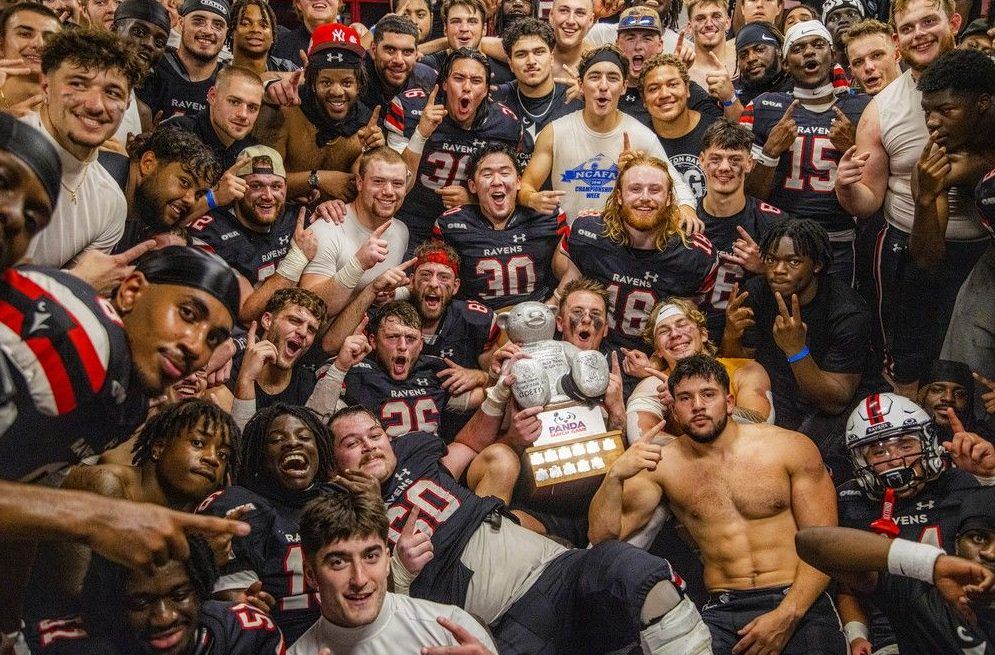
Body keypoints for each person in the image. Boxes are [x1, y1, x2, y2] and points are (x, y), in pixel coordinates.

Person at [328, 404, 713, 654]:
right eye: (352, 443)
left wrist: (496, 394)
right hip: (504, 623)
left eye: (374, 435)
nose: (369, 446)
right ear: (332, 463)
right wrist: (400, 569)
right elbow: (361, 615)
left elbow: (469, 442)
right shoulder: (339, 518)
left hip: (560, 569)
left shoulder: (417, 455)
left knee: (639, 573)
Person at [589, 354, 845, 655]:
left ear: (730, 402)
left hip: (800, 600)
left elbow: (826, 546)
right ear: (673, 407)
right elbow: (603, 537)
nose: (697, 405)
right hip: (725, 609)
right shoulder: (663, 464)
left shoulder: (788, 447)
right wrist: (615, 475)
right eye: (685, 398)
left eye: (707, 394)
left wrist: (787, 615)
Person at [834, 0, 983, 392]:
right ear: (898, 39)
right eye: (909, 27)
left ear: (953, 22)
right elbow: (869, 201)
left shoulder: (986, 84)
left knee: (975, 354)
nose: (920, 34)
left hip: (983, 245)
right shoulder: (881, 109)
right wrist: (846, 186)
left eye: (929, 21)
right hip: (906, 243)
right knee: (907, 353)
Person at [21, 399, 238, 647]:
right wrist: (204, 560)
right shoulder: (105, 485)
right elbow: (82, 602)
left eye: (223, 455)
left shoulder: (193, 510)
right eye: (198, 443)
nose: (212, 459)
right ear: (158, 448)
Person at [836, 391, 994, 654]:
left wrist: (988, 479)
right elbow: (850, 587)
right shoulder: (852, 500)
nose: (895, 459)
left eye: (906, 445)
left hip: (967, 623)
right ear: (862, 460)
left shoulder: (962, 483)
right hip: (892, 636)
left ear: (928, 441)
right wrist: (857, 635)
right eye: (879, 451)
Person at [721, 219, 882, 447]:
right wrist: (731, 335)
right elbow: (740, 367)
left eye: (793, 262)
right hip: (781, 394)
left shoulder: (847, 312)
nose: (778, 270)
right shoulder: (756, 293)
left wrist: (796, 350)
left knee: (798, 449)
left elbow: (835, 401)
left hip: (835, 408)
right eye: (771, 260)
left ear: (816, 265)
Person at [197, 403, 342, 644]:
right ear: (260, 457)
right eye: (276, 439)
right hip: (279, 642)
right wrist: (232, 596)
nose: (293, 443)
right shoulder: (243, 505)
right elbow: (237, 601)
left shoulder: (339, 496)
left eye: (304, 437)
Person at [289, 491, 498, 654]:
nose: (359, 579)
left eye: (371, 556)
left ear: (388, 560)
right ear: (311, 575)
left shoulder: (451, 630)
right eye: (338, 562)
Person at [740, 20, 869, 284]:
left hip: (841, 242)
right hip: (781, 245)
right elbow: (750, 194)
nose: (809, 52)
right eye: (798, 48)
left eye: (818, 45)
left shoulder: (863, 106)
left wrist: (853, 144)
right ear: (786, 63)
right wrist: (770, 152)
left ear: (833, 55)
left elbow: (878, 185)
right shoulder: (764, 106)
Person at [553, 153, 718, 357]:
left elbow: (685, 334)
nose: (645, 198)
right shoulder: (589, 233)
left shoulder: (693, 255)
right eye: (635, 189)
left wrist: (654, 366)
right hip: (588, 351)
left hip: (653, 362)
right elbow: (562, 297)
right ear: (620, 196)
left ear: (669, 199)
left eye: (655, 190)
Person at [797, 486, 995, 654]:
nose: (990, 553)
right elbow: (809, 544)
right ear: (958, 542)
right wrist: (930, 563)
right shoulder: (923, 598)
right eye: (978, 538)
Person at [521, 44, 697, 227]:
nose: (603, 86)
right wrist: (533, 199)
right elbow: (526, 186)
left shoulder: (641, 135)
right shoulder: (555, 132)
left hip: (620, 243)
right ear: (581, 85)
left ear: (623, 87)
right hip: (568, 240)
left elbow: (677, 186)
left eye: (612, 78)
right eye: (595, 77)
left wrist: (686, 208)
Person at [23, 27, 143, 270]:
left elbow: (62, 297)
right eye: (78, 84)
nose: (95, 105)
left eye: (112, 92)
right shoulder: (6, 152)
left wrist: (77, 284)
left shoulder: (110, 202)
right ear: (45, 86)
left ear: (127, 104)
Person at [385, 47, 522, 252]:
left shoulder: (505, 123)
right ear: (444, 83)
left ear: (486, 90)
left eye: (476, 81)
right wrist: (421, 134)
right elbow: (395, 184)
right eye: (458, 78)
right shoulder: (410, 108)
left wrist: (475, 198)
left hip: (471, 221)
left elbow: (514, 185)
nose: (466, 87)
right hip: (411, 219)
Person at [54, 537, 287, 654]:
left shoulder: (244, 634)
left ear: (200, 589)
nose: (164, 617)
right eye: (141, 602)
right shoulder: (70, 645)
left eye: (179, 595)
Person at [255, 23, 383, 202]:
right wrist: (317, 179)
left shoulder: (367, 124)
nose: (337, 92)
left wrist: (375, 154)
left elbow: (365, 192)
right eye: (326, 82)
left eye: (347, 83)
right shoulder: (286, 109)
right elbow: (260, 182)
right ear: (312, 83)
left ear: (359, 85)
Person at [434, 144, 564, 310]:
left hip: (539, 315)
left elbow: (571, 272)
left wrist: (551, 304)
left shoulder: (547, 217)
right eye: (487, 174)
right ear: (472, 186)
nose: (497, 181)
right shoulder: (451, 225)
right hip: (478, 323)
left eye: (504, 173)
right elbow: (437, 281)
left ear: (518, 182)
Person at [328, 300, 485, 437]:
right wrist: (340, 367)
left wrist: (483, 376)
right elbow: (317, 415)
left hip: (432, 464)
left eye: (410, 338)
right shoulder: (355, 370)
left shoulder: (434, 369)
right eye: (393, 337)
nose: (402, 346)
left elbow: (486, 398)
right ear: (373, 341)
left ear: (421, 344)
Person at [693, 119, 786, 340]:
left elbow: (804, 287)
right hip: (689, 336)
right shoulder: (684, 219)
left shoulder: (773, 223)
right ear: (702, 161)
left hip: (750, 340)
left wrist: (766, 268)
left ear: (749, 164)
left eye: (735, 160)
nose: (724, 167)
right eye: (715, 159)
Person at [627, 297, 773, 433]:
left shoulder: (744, 371)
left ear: (703, 334)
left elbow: (760, 426)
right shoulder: (655, 384)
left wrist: (683, 400)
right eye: (664, 331)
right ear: (658, 350)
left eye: (682, 324)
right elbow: (641, 436)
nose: (675, 334)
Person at [188, 145, 298, 288]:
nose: (268, 196)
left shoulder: (297, 216)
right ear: (236, 188)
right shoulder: (210, 233)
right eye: (256, 186)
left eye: (276, 186)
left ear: (286, 188)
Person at [229, 287, 327, 427]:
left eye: (311, 329)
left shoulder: (307, 385)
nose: (304, 332)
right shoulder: (229, 373)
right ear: (268, 320)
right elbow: (236, 445)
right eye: (295, 320)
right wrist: (246, 379)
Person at [116, 124, 221, 252]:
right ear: (148, 164)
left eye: (199, 195)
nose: (191, 200)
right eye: (185, 182)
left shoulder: (141, 205)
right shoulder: (103, 194)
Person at [491, 17, 572, 169]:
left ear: (552, 58)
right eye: (521, 54)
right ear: (510, 64)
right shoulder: (496, 97)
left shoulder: (575, 99)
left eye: (539, 52)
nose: (531, 61)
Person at [640, 54, 720, 203]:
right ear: (644, 100)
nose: (664, 94)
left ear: (687, 89)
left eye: (672, 84)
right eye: (653, 89)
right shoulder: (639, 137)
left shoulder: (717, 131)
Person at [137, 0, 229, 121]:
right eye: (198, 21)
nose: (207, 31)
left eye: (218, 25)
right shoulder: (152, 66)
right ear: (181, 23)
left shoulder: (230, 82)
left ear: (226, 33)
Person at [164, 65, 263, 171]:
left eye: (252, 108)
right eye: (234, 102)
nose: (243, 114)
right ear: (212, 96)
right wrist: (218, 188)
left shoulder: (253, 150)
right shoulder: (177, 131)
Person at [111, 0, 172, 143]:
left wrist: (137, 157)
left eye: (159, 43)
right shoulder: (77, 81)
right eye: (138, 32)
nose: (149, 44)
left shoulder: (143, 114)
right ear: (114, 31)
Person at [359, 14, 435, 121]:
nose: (398, 60)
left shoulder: (429, 80)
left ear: (417, 54)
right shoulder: (355, 79)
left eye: (407, 52)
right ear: (373, 49)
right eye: (390, 50)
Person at [0, 3, 60, 117]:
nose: (39, 44)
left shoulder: (72, 108)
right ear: (1, 46)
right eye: (25, 34)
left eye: (50, 38)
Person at [227, 0, 297, 75]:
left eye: (263, 25)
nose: (255, 29)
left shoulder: (290, 71)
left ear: (273, 35)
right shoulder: (216, 74)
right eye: (245, 23)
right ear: (231, 32)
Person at [734, 21, 792, 106]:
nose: (751, 58)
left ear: (778, 50)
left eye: (759, 50)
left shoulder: (799, 85)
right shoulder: (732, 92)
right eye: (743, 55)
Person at [841, 18, 901, 96]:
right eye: (858, 62)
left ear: (896, 55)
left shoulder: (919, 96)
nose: (868, 67)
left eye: (877, 56)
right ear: (852, 71)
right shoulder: (851, 107)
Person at [821, 0, 864, 66]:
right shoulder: (822, 70)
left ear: (863, 22)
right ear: (825, 29)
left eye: (852, 14)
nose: (843, 20)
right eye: (833, 18)